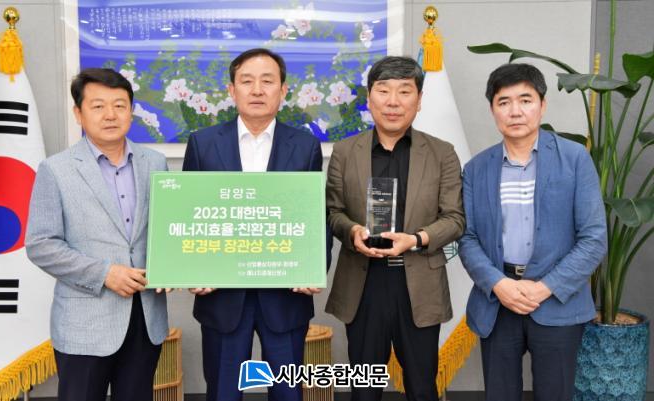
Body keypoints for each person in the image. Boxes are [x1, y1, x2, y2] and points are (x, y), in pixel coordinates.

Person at [459, 63, 607, 401]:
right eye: (504, 102)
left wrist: (543, 288)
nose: (515, 111)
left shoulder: (574, 159)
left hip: (557, 301)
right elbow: (467, 237)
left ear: (542, 105)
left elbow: (594, 237)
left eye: (525, 100)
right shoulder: (476, 168)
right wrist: (500, 285)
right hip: (498, 301)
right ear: (493, 110)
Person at [182, 48, 323, 401]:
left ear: (283, 90)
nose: (257, 90)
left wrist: (314, 267)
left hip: (286, 297)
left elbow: (314, 216)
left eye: (267, 81)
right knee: (223, 393)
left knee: (288, 393)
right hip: (223, 298)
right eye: (247, 81)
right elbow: (190, 214)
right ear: (232, 90)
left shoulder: (305, 146)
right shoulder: (202, 143)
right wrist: (192, 269)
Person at [325, 56, 464, 401]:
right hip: (363, 282)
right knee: (364, 388)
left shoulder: (442, 153)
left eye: (404, 91)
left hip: (417, 281)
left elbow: (455, 218)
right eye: (383, 90)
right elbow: (332, 212)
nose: (393, 101)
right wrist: (352, 232)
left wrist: (415, 239)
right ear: (369, 98)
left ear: (419, 100)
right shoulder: (345, 151)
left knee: (422, 387)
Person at [25, 68, 169, 401]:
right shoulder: (56, 169)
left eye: (119, 105)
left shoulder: (155, 163)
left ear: (131, 112)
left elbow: (167, 230)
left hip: (146, 318)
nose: (110, 115)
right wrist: (104, 273)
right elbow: (41, 244)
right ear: (79, 113)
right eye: (98, 106)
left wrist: (173, 267)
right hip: (85, 321)